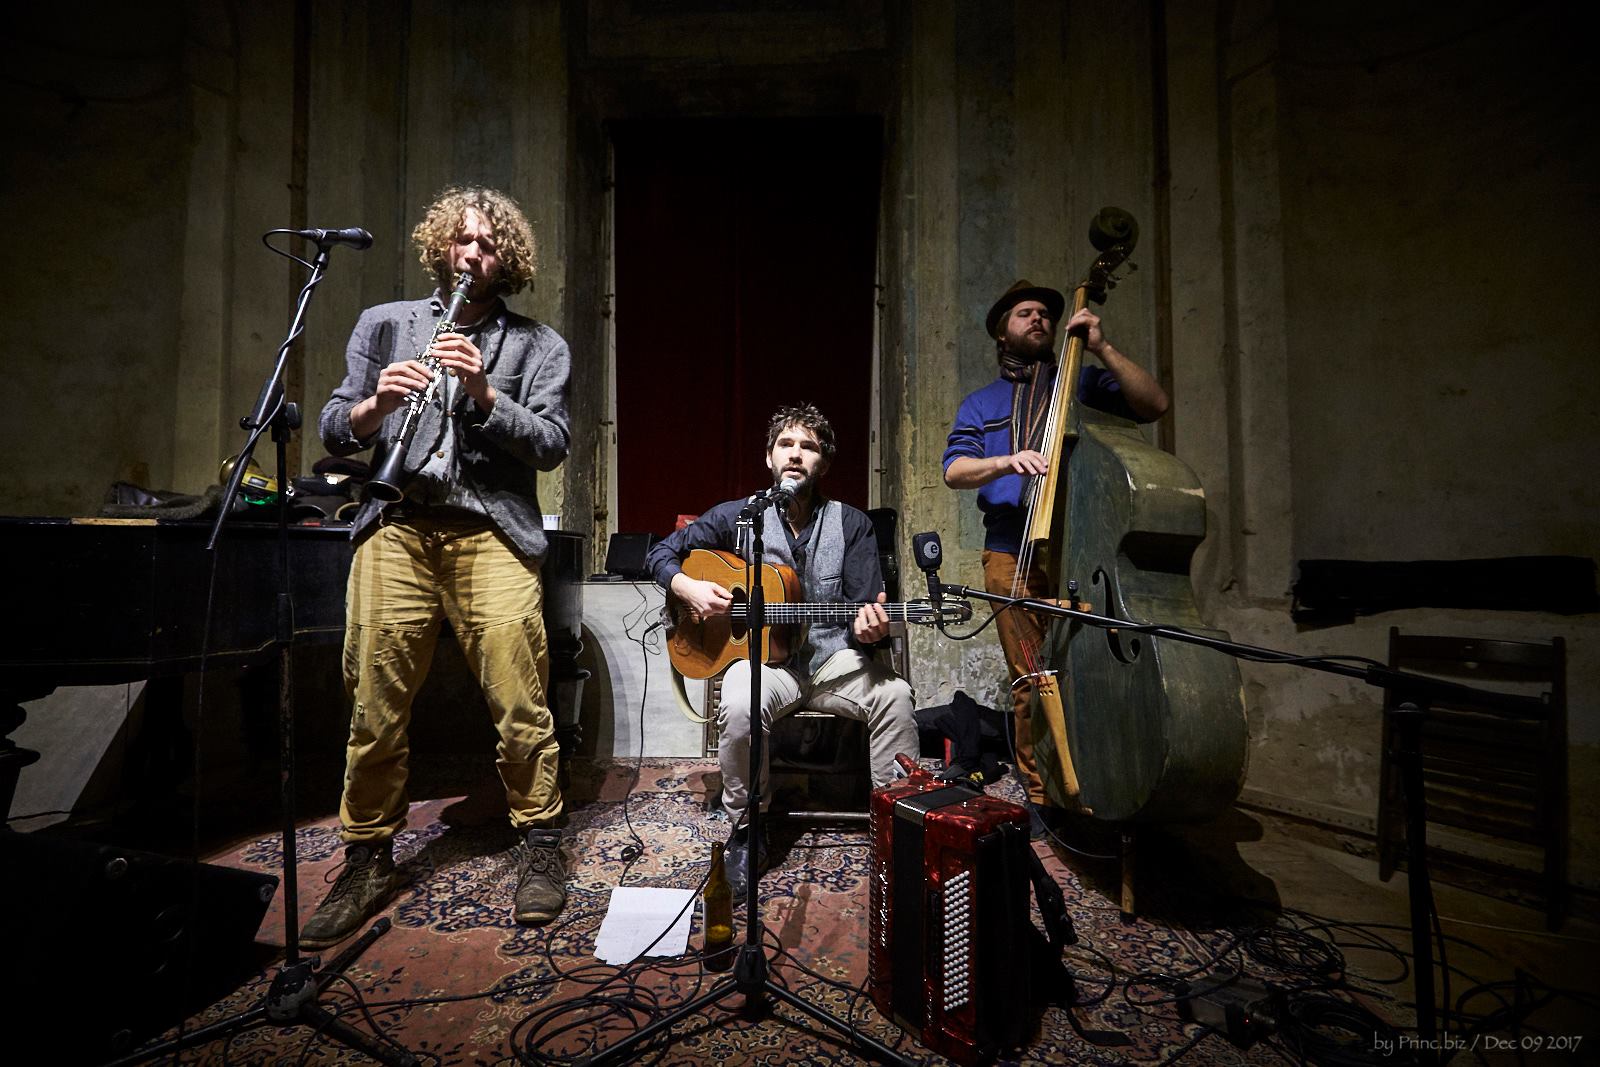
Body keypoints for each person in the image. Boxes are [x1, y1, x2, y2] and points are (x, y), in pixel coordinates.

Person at [305, 186, 572, 947]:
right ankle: (367, 858)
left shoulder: (539, 345)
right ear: (441, 247)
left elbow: (551, 444)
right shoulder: (385, 324)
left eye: (488, 244)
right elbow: (335, 424)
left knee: (520, 701)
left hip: (490, 531)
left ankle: (540, 841)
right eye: (463, 240)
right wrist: (376, 405)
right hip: (396, 525)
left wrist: (484, 393)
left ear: (507, 259)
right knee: (374, 706)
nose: (473, 254)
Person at [645, 403, 918, 897]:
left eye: (808, 447)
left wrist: (872, 630)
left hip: (835, 661)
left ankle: (897, 828)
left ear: (824, 463)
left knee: (896, 697)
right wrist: (687, 587)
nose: (795, 454)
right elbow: (660, 552)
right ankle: (748, 827)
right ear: (769, 457)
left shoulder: (853, 524)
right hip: (766, 665)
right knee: (738, 701)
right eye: (786, 444)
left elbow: (865, 611)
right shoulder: (739, 517)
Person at [943, 280, 1169, 834]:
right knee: (1031, 679)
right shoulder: (981, 403)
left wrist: (1101, 346)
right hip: (1010, 554)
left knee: (1090, 673)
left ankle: (1103, 782)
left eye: (1045, 312)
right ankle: (1043, 795)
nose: (1038, 319)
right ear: (1002, 332)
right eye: (1024, 313)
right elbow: (955, 470)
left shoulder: (1081, 384)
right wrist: (1007, 461)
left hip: (1082, 550)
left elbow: (1154, 404)